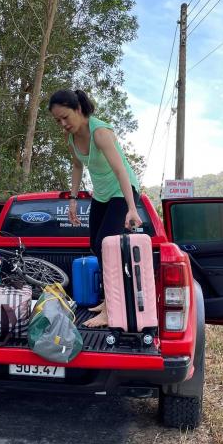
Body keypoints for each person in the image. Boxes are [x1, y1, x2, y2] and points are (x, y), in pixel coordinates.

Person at [49, 89, 142, 327]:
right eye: (57, 120)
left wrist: (132, 208)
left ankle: (112, 310)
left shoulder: (100, 132)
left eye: (65, 117)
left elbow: (121, 170)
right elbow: (77, 167)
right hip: (101, 195)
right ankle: (108, 299)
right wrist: (72, 199)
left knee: (108, 247)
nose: (62, 124)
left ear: (78, 109)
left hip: (123, 191)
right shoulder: (71, 139)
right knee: (95, 245)